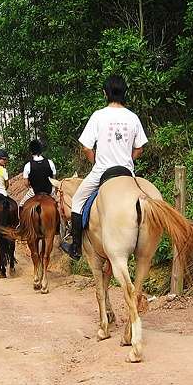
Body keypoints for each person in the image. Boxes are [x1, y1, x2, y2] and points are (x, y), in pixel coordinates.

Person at [59, 75, 148, 258]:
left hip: (102, 171)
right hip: (127, 173)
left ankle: (76, 247)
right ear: (125, 92)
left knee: (77, 202)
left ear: (104, 93)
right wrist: (127, 158)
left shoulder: (98, 116)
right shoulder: (133, 117)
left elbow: (86, 147)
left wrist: (96, 161)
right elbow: (139, 148)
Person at [19, 139, 57, 208]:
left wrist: (30, 187)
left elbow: (26, 183)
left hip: (34, 191)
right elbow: (54, 179)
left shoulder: (28, 165)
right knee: (59, 205)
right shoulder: (50, 162)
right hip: (49, 191)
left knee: (21, 205)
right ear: (41, 150)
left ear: (31, 152)